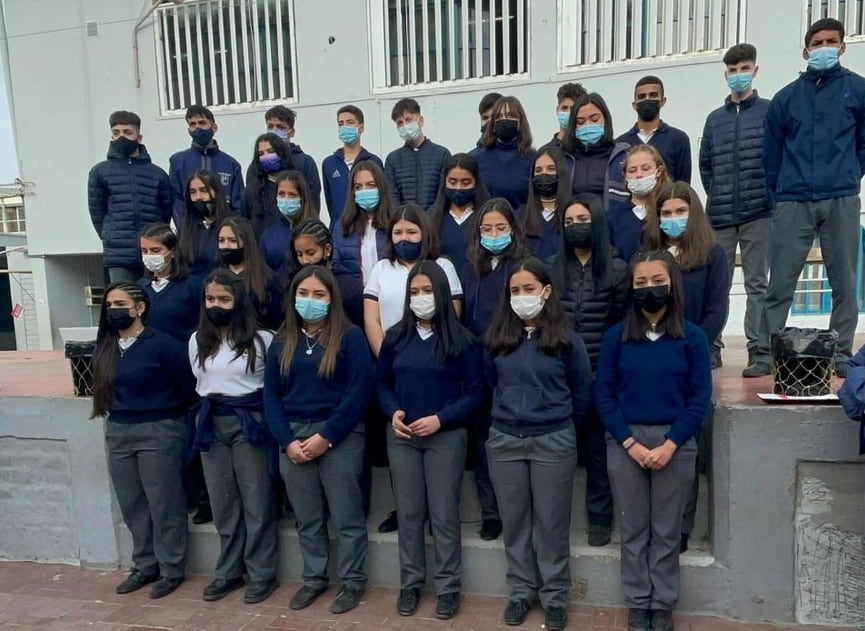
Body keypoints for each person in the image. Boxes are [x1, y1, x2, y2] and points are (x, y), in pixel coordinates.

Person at [594, 250, 712, 631]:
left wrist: (670, 444)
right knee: (633, 528)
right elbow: (604, 395)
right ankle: (637, 601)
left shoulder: (692, 338)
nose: (649, 289)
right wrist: (629, 443)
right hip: (626, 443)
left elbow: (698, 400)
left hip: (674, 443)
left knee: (665, 530)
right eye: (641, 282)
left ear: (672, 284)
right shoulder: (616, 337)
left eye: (657, 281)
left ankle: (662, 603)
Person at [746, 17, 865, 378]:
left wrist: (849, 176)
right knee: (780, 281)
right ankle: (766, 353)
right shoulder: (785, 99)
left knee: (844, 281)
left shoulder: (858, 91)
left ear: (842, 47)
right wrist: (781, 191)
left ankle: (841, 352)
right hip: (792, 200)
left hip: (841, 197)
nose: (824, 48)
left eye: (831, 41)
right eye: (818, 42)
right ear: (806, 49)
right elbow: (771, 155)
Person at [483, 257, 592, 631]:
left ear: (546, 292)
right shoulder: (498, 339)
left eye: (529, 289)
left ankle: (555, 596)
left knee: (551, 524)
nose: (522, 296)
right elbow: (488, 386)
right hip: (505, 441)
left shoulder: (566, 340)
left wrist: (556, 423)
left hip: (553, 441)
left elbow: (581, 392)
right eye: (515, 290)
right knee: (515, 523)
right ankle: (520, 592)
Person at [376, 261, 484, 620]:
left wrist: (441, 419)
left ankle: (448, 587)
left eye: (427, 291)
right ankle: (411, 584)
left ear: (440, 293)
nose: (421, 298)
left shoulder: (462, 340)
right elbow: (381, 383)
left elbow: (475, 393)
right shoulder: (395, 337)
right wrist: (393, 412)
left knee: (443, 514)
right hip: (403, 438)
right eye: (414, 292)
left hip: (446, 438)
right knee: (408, 514)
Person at [264, 266, 372, 615]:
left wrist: (327, 436)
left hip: (338, 435)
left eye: (319, 295)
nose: (310, 302)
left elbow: (359, 392)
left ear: (332, 299)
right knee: (307, 518)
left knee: (346, 516)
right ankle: (314, 578)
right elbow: (270, 396)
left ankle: (353, 580)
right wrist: (287, 441)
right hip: (293, 437)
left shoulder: (350, 338)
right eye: (304, 294)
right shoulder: (281, 340)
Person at [90, 282, 195, 599]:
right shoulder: (106, 346)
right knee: (133, 503)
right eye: (109, 305)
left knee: (164, 502)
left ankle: (172, 568)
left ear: (140, 307)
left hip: (159, 428)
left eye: (121, 304)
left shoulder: (162, 344)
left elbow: (189, 387)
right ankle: (145, 565)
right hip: (119, 430)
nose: (114, 311)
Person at [189, 269, 279, 604]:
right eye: (210, 299)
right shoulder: (196, 341)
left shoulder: (262, 341)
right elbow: (200, 383)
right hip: (211, 423)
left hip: (250, 422)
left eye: (224, 299)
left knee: (256, 500)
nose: (216, 305)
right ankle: (228, 570)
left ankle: (262, 573)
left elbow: (270, 387)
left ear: (238, 302)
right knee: (222, 502)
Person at [550, 193, 628, 547]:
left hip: (599, 373)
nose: (575, 228)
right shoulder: (551, 268)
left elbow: (621, 326)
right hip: (559, 375)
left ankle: (600, 518)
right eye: (568, 222)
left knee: (598, 450)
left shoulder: (617, 268)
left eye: (582, 221)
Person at [460, 198, 531, 542]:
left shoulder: (524, 266)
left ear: (513, 230)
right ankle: (491, 512)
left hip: (512, 360)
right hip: (476, 363)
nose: (493, 234)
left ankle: (516, 510)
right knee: (483, 439)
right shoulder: (470, 268)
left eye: (500, 228)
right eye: (486, 229)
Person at [699, 43, 772, 371]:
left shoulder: (769, 112)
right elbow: (706, 165)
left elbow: (776, 158)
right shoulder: (715, 119)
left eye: (744, 69)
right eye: (732, 70)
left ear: (754, 70)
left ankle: (758, 347)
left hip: (760, 212)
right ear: (725, 74)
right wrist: (716, 196)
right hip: (721, 216)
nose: (738, 75)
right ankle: (712, 346)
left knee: (758, 283)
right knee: (717, 284)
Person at [363, 203, 463, 358]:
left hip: (437, 356)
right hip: (393, 356)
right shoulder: (380, 268)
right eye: (397, 232)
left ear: (424, 233)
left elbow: (453, 314)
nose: (404, 238)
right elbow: (371, 320)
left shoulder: (444, 266)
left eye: (411, 232)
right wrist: (385, 357)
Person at [88, 111, 172, 282]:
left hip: (152, 254)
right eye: (116, 133)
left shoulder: (158, 174)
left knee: (153, 302)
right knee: (123, 303)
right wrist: (109, 236)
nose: (121, 137)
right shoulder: (100, 172)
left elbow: (165, 213)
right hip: (119, 254)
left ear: (139, 137)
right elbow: (97, 212)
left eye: (127, 132)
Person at [168, 105, 243, 225]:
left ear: (214, 127)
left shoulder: (231, 165)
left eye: (202, 123)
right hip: (190, 234)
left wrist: (229, 231)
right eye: (192, 124)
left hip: (223, 235)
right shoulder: (177, 162)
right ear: (188, 130)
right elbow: (176, 201)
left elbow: (237, 206)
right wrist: (185, 230)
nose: (197, 127)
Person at [285, 219, 364, 328]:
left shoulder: (350, 287)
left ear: (327, 249)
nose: (305, 260)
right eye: (299, 254)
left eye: (310, 253)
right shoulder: (294, 282)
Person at [562, 93, 631, 215]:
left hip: (613, 228)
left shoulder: (622, 156)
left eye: (594, 119)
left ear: (606, 119)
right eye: (580, 122)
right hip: (574, 227)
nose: (588, 125)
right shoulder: (565, 157)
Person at [616, 76, 692, 183]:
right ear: (634, 105)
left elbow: (683, 184)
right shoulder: (620, 143)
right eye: (642, 96)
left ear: (663, 101)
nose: (647, 99)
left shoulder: (679, 139)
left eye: (653, 95)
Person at [137, 222, 201, 343]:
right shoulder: (139, 288)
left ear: (172, 251)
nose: (149, 256)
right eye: (144, 251)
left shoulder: (192, 286)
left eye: (155, 250)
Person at [332, 161, 394, 282]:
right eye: (358, 187)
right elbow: (336, 267)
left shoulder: (394, 224)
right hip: (354, 296)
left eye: (371, 185)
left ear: (380, 187)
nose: (364, 190)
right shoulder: (341, 226)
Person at [429, 153, 491, 274]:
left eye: (465, 182)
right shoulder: (433, 220)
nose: (458, 188)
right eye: (452, 182)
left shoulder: (487, 218)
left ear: (476, 183)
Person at [321, 105, 384, 225]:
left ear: (361, 128)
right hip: (340, 229)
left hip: (368, 226)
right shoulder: (329, 163)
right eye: (341, 124)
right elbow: (330, 202)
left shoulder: (374, 162)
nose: (345, 127)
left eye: (350, 122)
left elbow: (382, 197)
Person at [216, 216, 282, 330]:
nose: (226, 245)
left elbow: (278, 320)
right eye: (221, 240)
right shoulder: (215, 278)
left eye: (233, 240)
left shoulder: (267, 280)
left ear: (246, 242)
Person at [385, 98, 451, 211]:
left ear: (420, 121)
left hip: (435, 225)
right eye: (400, 123)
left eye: (408, 120)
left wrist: (427, 221)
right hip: (404, 224)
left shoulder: (442, 155)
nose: (405, 125)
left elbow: (443, 195)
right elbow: (392, 197)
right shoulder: (393, 160)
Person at [472, 96, 537, 209]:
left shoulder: (534, 159)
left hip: (523, 224)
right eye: (499, 116)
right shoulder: (477, 159)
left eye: (511, 115)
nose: (504, 119)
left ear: (520, 121)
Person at [610, 145, 671, 263]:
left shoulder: (669, 211)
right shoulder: (612, 217)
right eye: (632, 170)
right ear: (625, 175)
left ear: (658, 171)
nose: (639, 174)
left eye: (646, 168)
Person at [264, 105, 322, 209]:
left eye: (281, 127)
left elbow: (313, 202)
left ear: (292, 132)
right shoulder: (260, 163)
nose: (274, 131)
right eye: (270, 126)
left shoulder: (305, 163)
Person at [259, 170, 319, 271]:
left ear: (302, 197)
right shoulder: (268, 236)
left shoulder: (316, 231)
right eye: (281, 194)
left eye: (292, 194)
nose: (286, 199)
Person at [178, 170, 233, 276]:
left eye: (204, 190)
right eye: (193, 192)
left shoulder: (231, 225)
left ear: (216, 192)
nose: (198, 197)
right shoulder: (185, 227)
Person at [242, 133, 295, 240]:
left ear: (281, 153)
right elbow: (245, 224)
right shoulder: (251, 191)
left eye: (270, 152)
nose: (266, 157)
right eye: (261, 154)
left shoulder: (296, 184)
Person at [520, 146, 571, 260]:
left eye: (551, 169)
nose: (544, 174)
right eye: (538, 170)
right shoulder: (520, 216)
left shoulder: (573, 214)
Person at [540, 82, 587, 149]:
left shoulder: (589, 149)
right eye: (564, 108)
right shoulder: (546, 152)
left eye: (573, 109)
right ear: (557, 110)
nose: (569, 113)